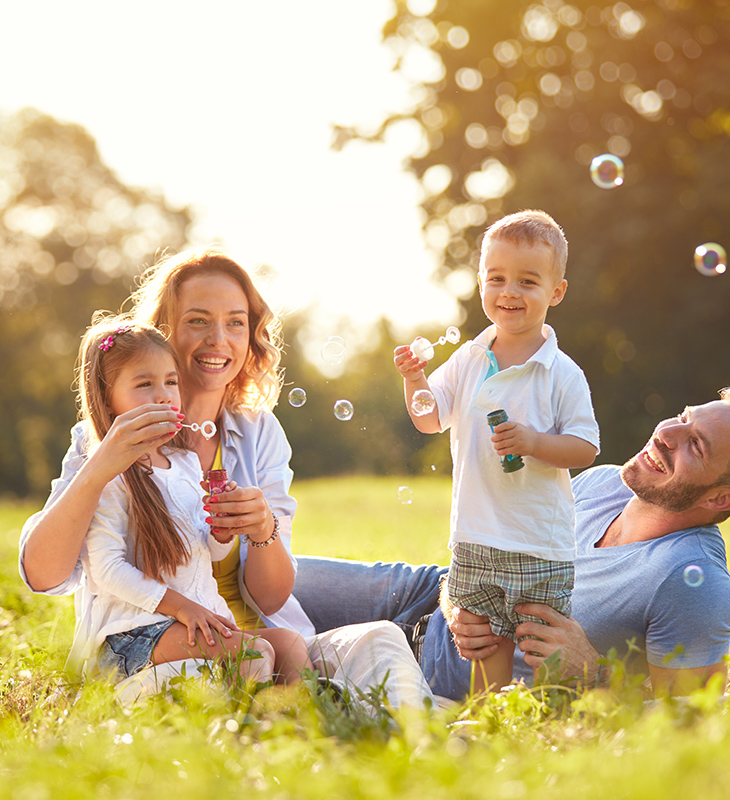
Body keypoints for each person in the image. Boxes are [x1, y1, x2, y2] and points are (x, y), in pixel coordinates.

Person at [19, 248, 434, 709]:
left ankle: (424, 739)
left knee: (380, 638)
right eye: (198, 320)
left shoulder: (258, 432)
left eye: (236, 322)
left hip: (256, 635)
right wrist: (99, 466)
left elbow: (272, 596)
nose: (219, 339)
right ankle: (314, 721)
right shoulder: (105, 438)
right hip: (158, 647)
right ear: (163, 333)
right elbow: (43, 575)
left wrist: (262, 531)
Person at [292, 387, 730, 698]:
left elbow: (692, 725)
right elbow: (495, 542)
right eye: (684, 417)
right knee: (259, 575)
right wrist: (455, 597)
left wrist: (595, 675)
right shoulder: (603, 483)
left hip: (447, 670)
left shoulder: (694, 583)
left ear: (721, 497)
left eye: (696, 445)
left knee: (272, 656)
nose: (667, 432)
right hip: (428, 591)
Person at [392, 209, 600, 691]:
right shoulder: (468, 358)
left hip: (537, 541)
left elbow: (585, 447)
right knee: (484, 641)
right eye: (497, 278)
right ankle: (490, 720)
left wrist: (533, 442)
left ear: (556, 292)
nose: (509, 292)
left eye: (528, 281)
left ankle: (555, 716)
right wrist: (415, 379)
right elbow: (428, 417)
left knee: (542, 641)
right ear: (481, 281)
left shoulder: (561, 373)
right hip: (475, 534)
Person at [71, 317, 311, 685]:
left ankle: (299, 729)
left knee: (289, 643)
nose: (164, 395)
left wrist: (221, 530)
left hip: (187, 621)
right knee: (254, 652)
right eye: (144, 384)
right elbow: (107, 569)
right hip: (132, 634)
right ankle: (248, 736)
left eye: (170, 382)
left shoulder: (184, 463)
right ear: (107, 397)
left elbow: (209, 554)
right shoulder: (106, 473)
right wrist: (182, 607)